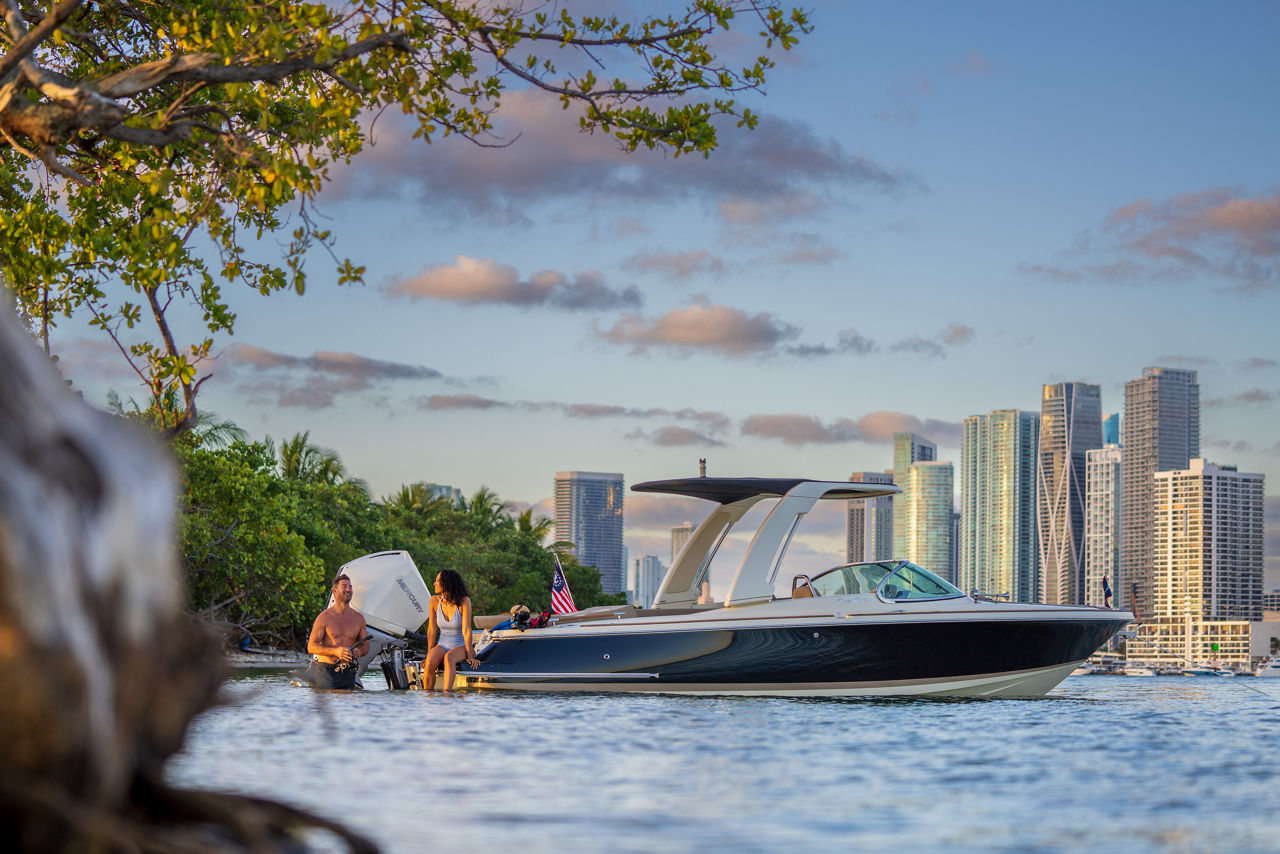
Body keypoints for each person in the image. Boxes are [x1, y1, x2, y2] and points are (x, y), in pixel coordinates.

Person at [306, 573, 369, 689]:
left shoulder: (359, 618)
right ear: (334, 591)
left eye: (350, 587)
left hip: (347, 672)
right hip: (325, 671)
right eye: (344, 586)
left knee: (347, 705)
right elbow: (311, 647)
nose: (349, 589)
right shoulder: (324, 617)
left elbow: (366, 647)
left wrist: (359, 652)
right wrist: (335, 652)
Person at [422, 569, 479, 691]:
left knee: (449, 657)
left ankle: (446, 694)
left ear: (447, 583)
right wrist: (429, 653)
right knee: (430, 662)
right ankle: (427, 696)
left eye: (438, 580)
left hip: (461, 645)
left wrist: (470, 655)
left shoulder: (464, 601)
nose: (434, 583)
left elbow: (467, 630)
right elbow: (431, 630)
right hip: (442, 644)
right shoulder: (434, 601)